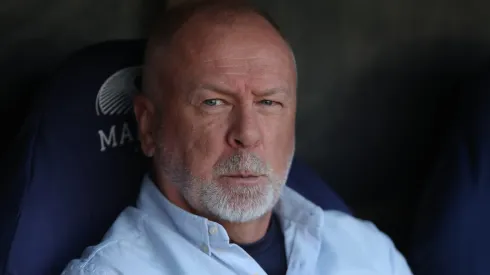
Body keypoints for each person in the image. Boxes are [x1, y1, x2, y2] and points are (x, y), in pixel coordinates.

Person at [62, 1, 412, 274]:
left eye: (269, 102)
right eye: (213, 102)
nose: (247, 134)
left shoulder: (367, 249)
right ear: (148, 125)